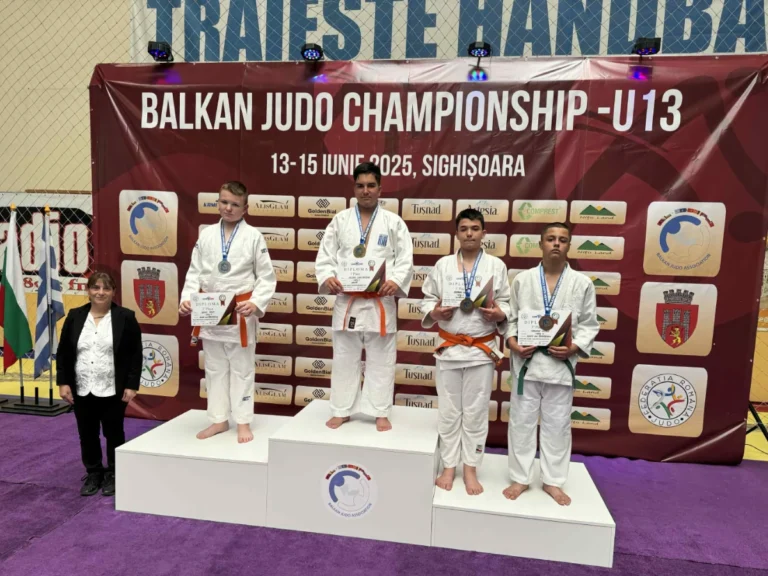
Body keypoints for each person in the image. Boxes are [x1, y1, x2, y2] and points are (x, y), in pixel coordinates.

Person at [503, 222, 599, 506]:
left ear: (569, 245)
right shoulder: (522, 280)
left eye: (562, 239)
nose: (556, 243)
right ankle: (520, 477)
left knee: (557, 425)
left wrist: (574, 347)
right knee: (521, 423)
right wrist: (513, 343)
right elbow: (511, 319)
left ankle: (553, 481)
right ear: (541, 244)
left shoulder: (582, 283)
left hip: (561, 365)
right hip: (527, 364)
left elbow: (589, 324)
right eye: (551, 238)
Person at [316, 162, 413, 431]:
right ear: (354, 188)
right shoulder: (340, 221)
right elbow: (325, 256)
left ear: (380, 189)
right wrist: (328, 277)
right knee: (344, 357)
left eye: (371, 185)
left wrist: (395, 281)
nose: (365, 191)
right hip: (348, 301)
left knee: (382, 358)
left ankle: (380, 410)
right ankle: (341, 409)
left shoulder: (393, 222)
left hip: (380, 301)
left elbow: (405, 259)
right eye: (360, 186)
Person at [180, 180, 277, 444]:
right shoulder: (206, 235)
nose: (228, 208)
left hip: (239, 314)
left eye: (235, 204)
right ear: (217, 202)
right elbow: (194, 272)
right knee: (214, 369)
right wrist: (187, 299)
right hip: (210, 311)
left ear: (245, 208)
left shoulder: (254, 236)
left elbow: (266, 276)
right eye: (224, 202)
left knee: (242, 369)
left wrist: (255, 303)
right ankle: (219, 420)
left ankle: (243, 421)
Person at [421, 208, 510, 495]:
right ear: (457, 234)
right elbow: (428, 299)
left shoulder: (496, 265)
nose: (469, 233)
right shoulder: (443, 265)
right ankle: (449, 465)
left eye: (474, 228)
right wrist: (435, 312)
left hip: (481, 351)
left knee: (475, 412)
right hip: (449, 348)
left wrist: (499, 314)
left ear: (484, 233)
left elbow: (507, 303)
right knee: (449, 411)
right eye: (464, 229)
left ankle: (470, 467)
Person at [57, 272, 143, 497]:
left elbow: (136, 354)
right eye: (96, 288)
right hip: (82, 386)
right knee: (87, 433)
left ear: (113, 291)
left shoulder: (125, 317)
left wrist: (132, 385)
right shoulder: (75, 316)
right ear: (88, 290)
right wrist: (63, 382)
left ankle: (114, 473)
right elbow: (64, 352)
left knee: (114, 432)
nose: (100, 292)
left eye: (106, 288)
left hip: (113, 388)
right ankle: (94, 472)